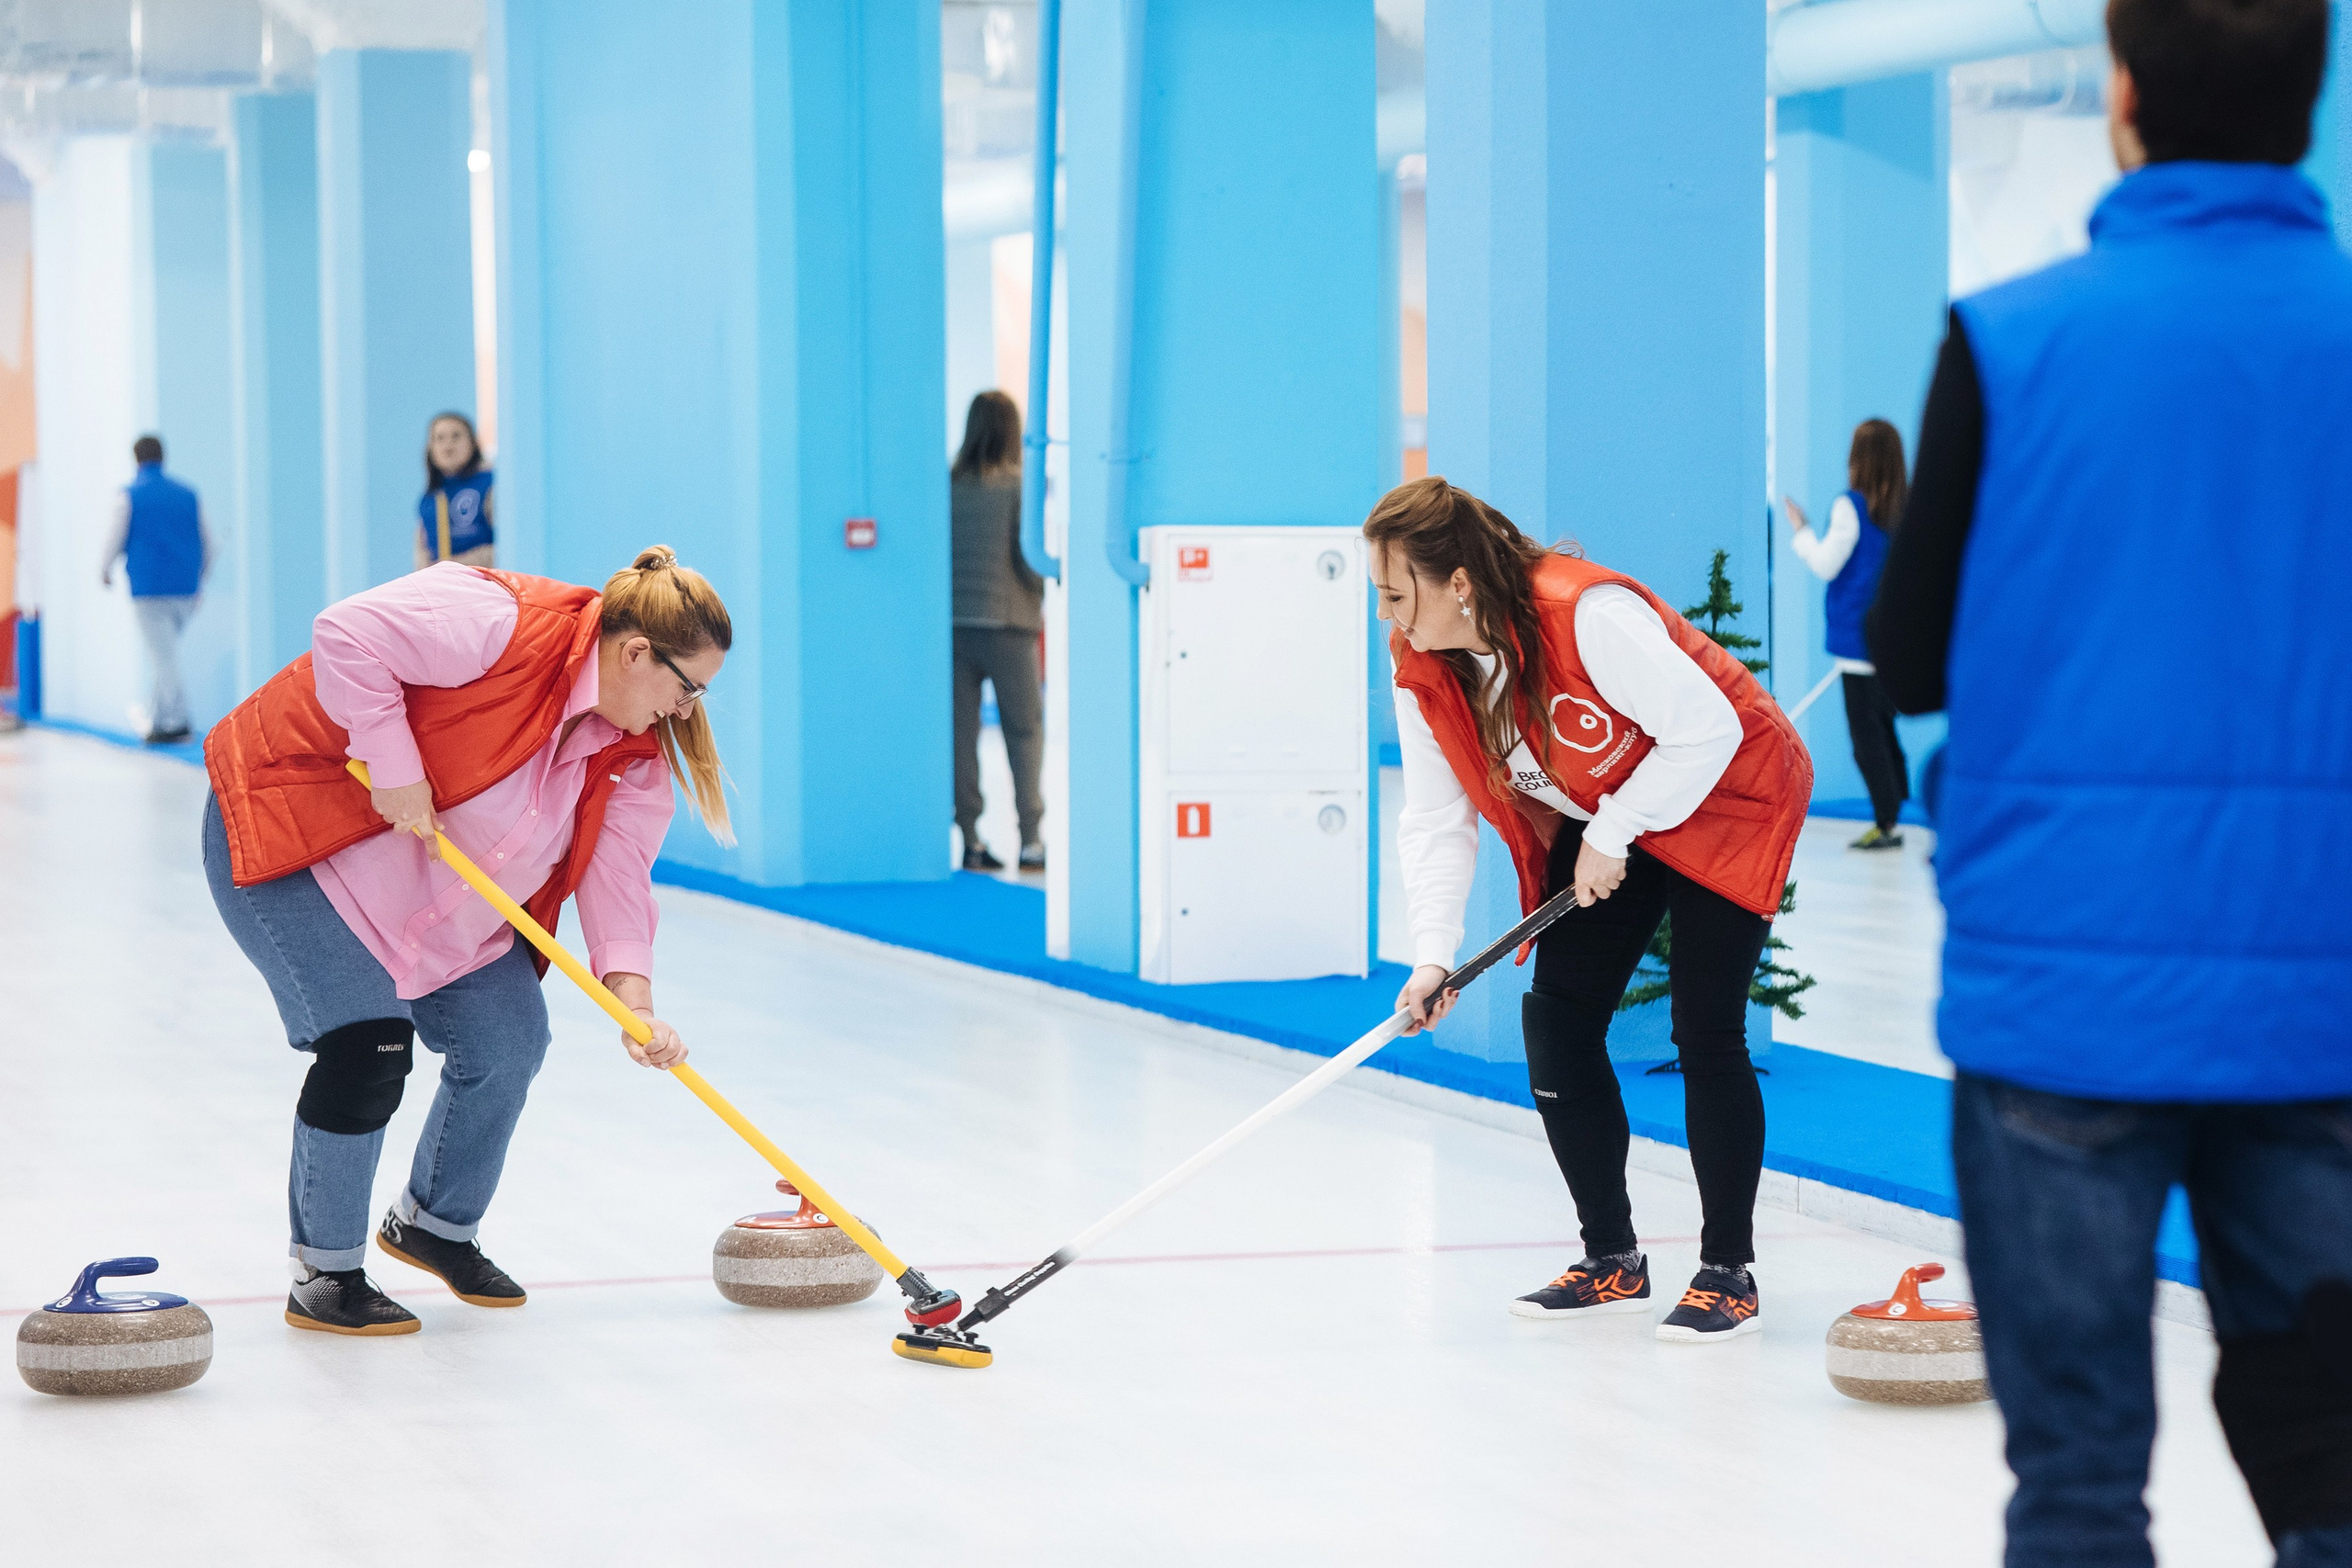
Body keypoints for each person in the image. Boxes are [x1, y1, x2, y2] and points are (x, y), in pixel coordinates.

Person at [1869, 1, 2352, 1562]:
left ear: (2123, 94)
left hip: (2063, 1002)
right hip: (2323, 1008)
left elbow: (1910, 651)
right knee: (2335, 1463)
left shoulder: (2010, 339)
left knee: (2076, 1479)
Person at [201, 547, 731, 1336]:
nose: (689, 709)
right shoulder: (501, 622)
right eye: (688, 686)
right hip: (304, 841)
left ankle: (433, 1224)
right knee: (369, 1046)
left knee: (511, 1038)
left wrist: (636, 1003)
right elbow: (345, 633)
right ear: (634, 654)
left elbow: (617, 878)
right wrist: (395, 763)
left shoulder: (635, 755)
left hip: (445, 898)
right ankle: (324, 1272)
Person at [1370, 475, 1810, 1343]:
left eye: (1395, 591)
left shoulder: (1585, 614)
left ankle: (1728, 1272)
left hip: (1727, 792)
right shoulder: (1423, 668)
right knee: (1561, 1022)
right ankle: (1612, 1258)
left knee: (1705, 1026)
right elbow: (1436, 817)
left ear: (1457, 580)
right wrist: (1431, 954)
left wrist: (1614, 830)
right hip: (1618, 805)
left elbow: (1709, 728)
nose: (1387, 615)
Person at [1782, 419, 1909, 850]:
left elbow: (1825, 564)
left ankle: (1887, 821)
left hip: (1857, 641)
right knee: (1884, 727)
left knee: (1866, 738)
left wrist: (1801, 532)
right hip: (1891, 639)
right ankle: (1896, 808)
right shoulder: (1903, 509)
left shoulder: (1849, 507)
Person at [949, 389, 1045, 872]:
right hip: (1009, 625)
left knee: (961, 736)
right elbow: (1031, 559)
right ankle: (1030, 840)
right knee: (1023, 733)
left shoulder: (947, 483)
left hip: (954, 629)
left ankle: (971, 839)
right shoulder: (1018, 487)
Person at [100, 434, 212, 744]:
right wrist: (200, 577)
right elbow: (208, 541)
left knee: (163, 657)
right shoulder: (189, 494)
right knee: (165, 653)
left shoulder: (129, 495)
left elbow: (116, 536)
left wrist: (104, 569)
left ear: (136, 459)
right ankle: (161, 719)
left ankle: (178, 722)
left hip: (149, 589)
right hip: (186, 591)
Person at [416, 412, 495, 570]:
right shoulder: (429, 498)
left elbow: (505, 546)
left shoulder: (489, 485)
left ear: (473, 443)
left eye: (456, 436)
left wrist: (456, 566)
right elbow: (421, 557)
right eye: (440, 438)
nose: (448, 445)